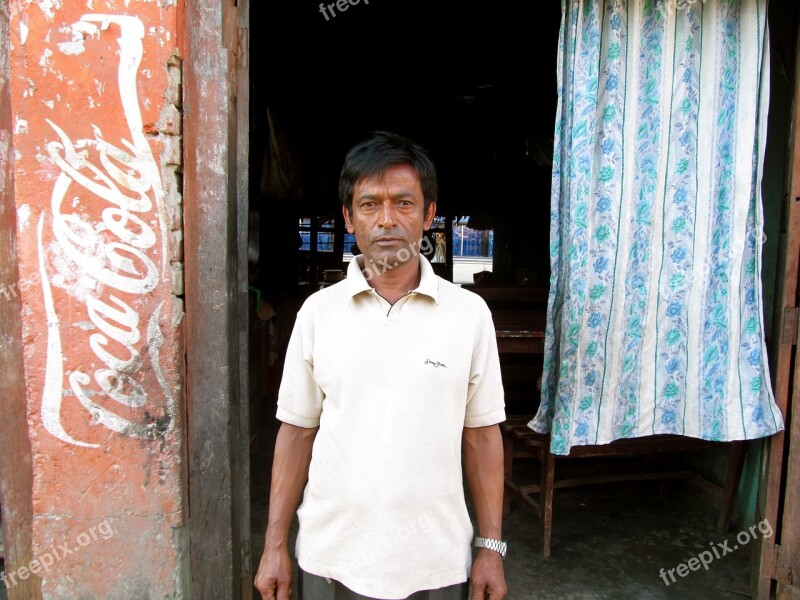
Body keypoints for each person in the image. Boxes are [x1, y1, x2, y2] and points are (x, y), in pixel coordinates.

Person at [254, 131, 508, 600]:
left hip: (437, 563)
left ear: (430, 214)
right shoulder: (317, 313)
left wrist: (490, 548)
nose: (387, 220)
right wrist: (275, 545)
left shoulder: (469, 315)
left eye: (404, 203)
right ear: (349, 218)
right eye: (370, 205)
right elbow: (296, 432)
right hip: (331, 559)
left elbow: (483, 435)